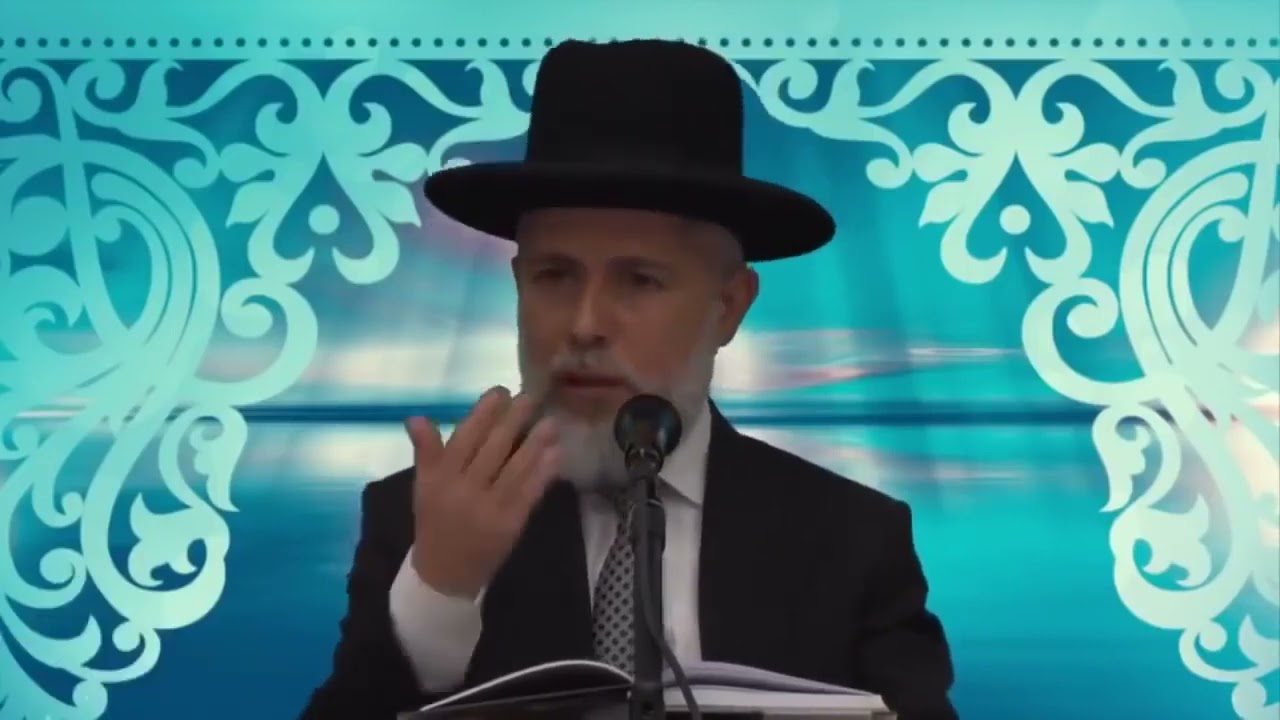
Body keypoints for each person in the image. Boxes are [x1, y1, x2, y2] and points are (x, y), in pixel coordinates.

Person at [299, 38, 957, 720]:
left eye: (639, 281)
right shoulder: (417, 521)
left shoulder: (851, 540)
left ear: (728, 307)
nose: (585, 325)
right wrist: (440, 591)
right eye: (554, 276)